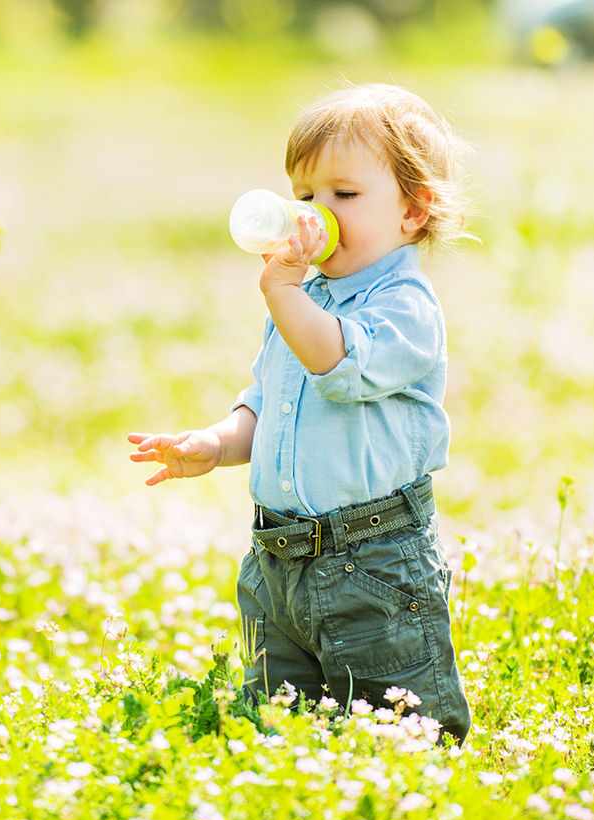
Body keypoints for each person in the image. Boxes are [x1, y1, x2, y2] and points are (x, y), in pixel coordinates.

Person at [127, 82, 472, 744]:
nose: (316, 214)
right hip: (277, 560)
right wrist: (216, 442)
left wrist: (282, 289)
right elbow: (270, 401)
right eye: (305, 195)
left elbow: (334, 365)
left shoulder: (405, 307)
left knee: (401, 731)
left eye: (344, 195)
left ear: (413, 209)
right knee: (276, 722)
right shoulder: (302, 297)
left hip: (373, 561)